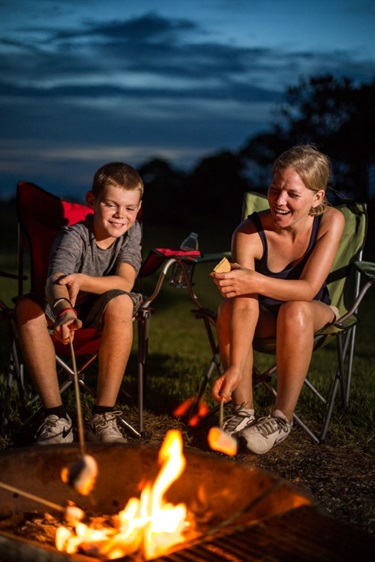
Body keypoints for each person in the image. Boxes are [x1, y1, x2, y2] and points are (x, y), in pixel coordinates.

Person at [210, 145, 345, 454]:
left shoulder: (330, 221)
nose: (279, 202)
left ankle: (282, 418)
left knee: (295, 310)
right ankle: (243, 409)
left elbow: (308, 289)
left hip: (310, 312)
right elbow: (245, 304)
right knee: (229, 305)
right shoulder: (248, 233)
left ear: (317, 198)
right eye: (274, 190)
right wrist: (235, 366)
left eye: (293, 195)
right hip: (262, 315)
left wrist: (253, 279)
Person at [15, 162, 144, 445]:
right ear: (91, 201)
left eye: (129, 208)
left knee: (123, 302)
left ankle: (103, 415)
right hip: (64, 310)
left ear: (138, 209)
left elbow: (125, 282)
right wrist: (64, 310)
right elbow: (56, 280)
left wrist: (82, 280)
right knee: (26, 306)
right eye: (111, 205)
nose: (120, 215)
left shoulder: (132, 234)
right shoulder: (73, 235)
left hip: (104, 313)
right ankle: (57, 417)